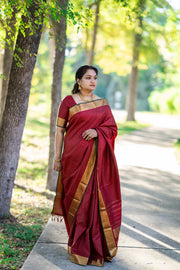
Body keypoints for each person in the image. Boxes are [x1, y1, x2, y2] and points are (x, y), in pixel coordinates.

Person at [52, 65, 121, 267]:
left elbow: (112, 128)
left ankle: (94, 247)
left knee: (92, 202)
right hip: (73, 159)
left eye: (95, 77)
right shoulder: (68, 102)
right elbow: (59, 131)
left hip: (96, 161)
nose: (92, 81)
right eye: (88, 77)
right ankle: (77, 244)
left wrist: (97, 132)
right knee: (75, 202)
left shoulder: (102, 103)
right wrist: (57, 158)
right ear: (78, 81)